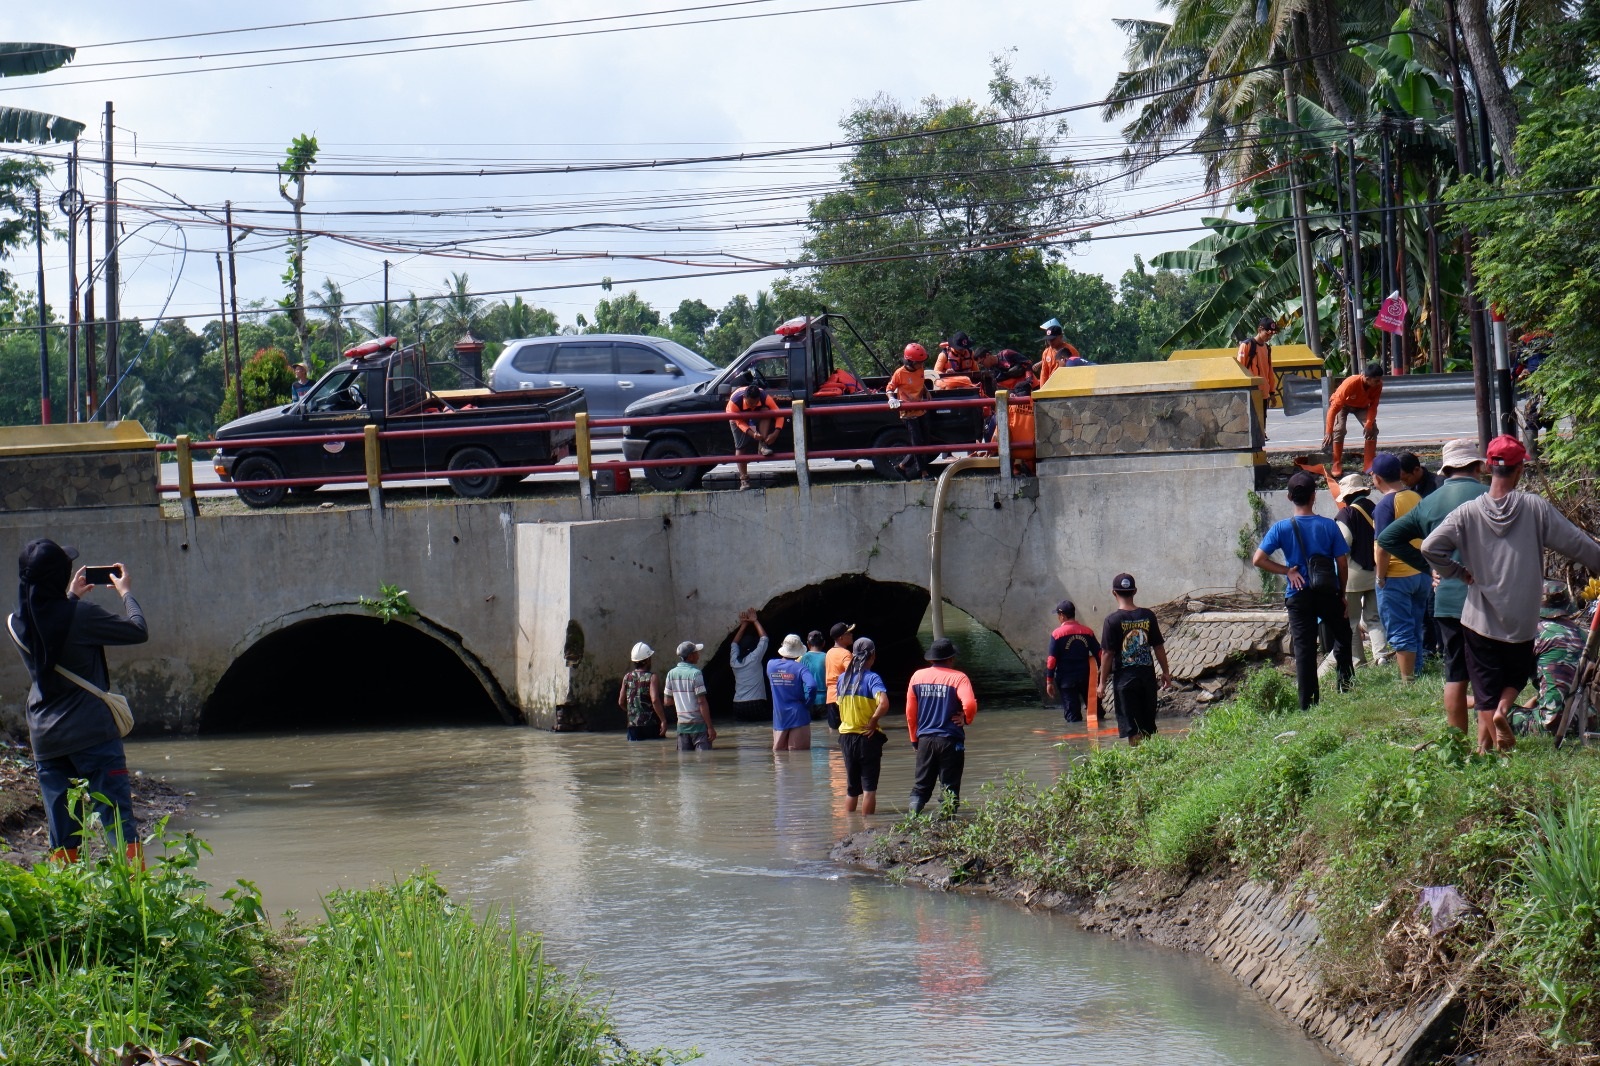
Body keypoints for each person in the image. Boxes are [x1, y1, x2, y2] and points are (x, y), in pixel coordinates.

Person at [1422, 435, 1600, 753]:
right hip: (1521, 620)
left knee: (1485, 688)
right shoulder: (1534, 508)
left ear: (1489, 468)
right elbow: (1578, 544)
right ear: (1519, 470)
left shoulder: (1468, 513)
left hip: (1478, 618)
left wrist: (1456, 572)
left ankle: (1484, 752)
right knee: (1514, 680)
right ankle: (1503, 716)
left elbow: (1430, 547)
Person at [7, 540, 147, 863]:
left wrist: (69, 596)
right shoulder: (81, 617)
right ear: (59, 578)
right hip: (93, 735)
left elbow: (49, 636)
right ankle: (132, 900)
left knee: (63, 836)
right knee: (117, 825)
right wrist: (125, 592)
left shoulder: (16, 624)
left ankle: (66, 899)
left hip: (46, 740)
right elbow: (138, 630)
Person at [1377, 439, 1489, 731]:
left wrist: (1430, 567)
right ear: (1478, 466)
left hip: (1448, 600)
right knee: (1487, 672)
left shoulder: (1430, 502)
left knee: (1455, 673)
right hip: (1488, 599)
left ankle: (1456, 740)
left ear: (1446, 469)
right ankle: (1488, 745)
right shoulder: (1492, 497)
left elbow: (1388, 539)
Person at [1251, 472, 1354, 709]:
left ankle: (1308, 703)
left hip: (1298, 594)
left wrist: (1288, 571)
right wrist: (1342, 593)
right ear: (1313, 497)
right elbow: (1342, 563)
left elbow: (1258, 559)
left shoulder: (1281, 528)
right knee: (1343, 636)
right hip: (1328, 591)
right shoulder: (1329, 525)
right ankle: (1345, 686)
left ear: (1289, 497)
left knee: (1304, 648)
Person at [1370, 452, 1428, 683]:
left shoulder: (1385, 505)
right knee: (1416, 625)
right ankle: (1418, 670)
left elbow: (1382, 547)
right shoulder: (1415, 497)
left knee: (1400, 628)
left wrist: (1380, 577)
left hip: (1395, 575)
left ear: (1378, 478)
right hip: (1420, 573)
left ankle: (1407, 679)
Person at [906, 636, 978, 814]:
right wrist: (966, 719)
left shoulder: (917, 677)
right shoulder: (959, 678)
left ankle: (911, 821)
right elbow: (969, 704)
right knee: (949, 787)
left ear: (931, 659)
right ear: (951, 658)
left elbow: (910, 713)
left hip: (925, 739)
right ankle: (947, 827)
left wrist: (915, 739)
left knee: (921, 786)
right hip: (950, 740)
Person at [1098, 573, 1173, 744]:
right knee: (1147, 725)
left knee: (1132, 728)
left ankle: (1138, 760)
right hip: (1147, 679)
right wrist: (1166, 673)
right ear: (1135, 591)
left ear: (1113, 593)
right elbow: (1158, 647)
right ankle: (1148, 759)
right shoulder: (1148, 615)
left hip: (1125, 682)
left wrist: (1102, 683)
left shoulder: (1111, 620)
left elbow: (1107, 654)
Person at [1513, 581, 1588, 736]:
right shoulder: (1582, 634)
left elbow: (1512, 675)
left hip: (1551, 724)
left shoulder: (1535, 634)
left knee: (1486, 708)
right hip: (1585, 719)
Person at [1331, 474, 1388, 667]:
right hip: (1376, 571)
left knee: (1352, 622)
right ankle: (1381, 655)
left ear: (1347, 496)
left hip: (1353, 576)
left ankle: (1358, 662)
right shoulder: (1377, 508)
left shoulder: (1346, 515)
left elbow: (1343, 543)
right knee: (1374, 617)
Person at [835, 636, 890, 814]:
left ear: (853, 655)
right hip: (867, 737)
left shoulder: (842, 679)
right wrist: (873, 721)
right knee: (869, 789)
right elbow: (884, 703)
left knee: (852, 789)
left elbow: (838, 704)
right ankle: (868, 828)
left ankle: (850, 828)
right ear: (872, 655)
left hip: (846, 738)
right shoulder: (872, 678)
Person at [1322, 363, 1385, 477]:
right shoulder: (1351, 383)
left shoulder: (1378, 385)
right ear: (1367, 378)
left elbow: (1373, 406)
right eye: (1376, 380)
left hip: (1361, 406)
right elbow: (1333, 409)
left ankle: (1368, 465)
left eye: (1380, 380)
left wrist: (1369, 423)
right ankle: (1336, 464)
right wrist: (1328, 431)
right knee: (1339, 430)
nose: (1379, 382)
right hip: (1343, 405)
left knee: (1372, 430)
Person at [1045, 599, 1100, 724]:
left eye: (1058, 616)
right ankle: (1099, 737)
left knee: (1073, 717)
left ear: (1062, 616)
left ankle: (1076, 740)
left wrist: (1049, 681)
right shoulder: (1087, 632)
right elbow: (1099, 654)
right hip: (1087, 679)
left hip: (1066, 681)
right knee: (1096, 712)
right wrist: (1102, 675)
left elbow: (1052, 660)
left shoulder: (1057, 634)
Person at [726, 383, 784, 491]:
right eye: (751, 403)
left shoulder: (765, 397)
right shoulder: (734, 402)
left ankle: (762, 444)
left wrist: (776, 432)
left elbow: (779, 414)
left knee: (766, 411)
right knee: (740, 447)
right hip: (737, 417)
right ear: (744, 397)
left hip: (757, 413)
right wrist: (752, 434)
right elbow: (739, 422)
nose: (753, 405)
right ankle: (744, 480)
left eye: (756, 402)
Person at [888, 343, 933, 480]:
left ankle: (901, 466)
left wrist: (926, 391)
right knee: (918, 443)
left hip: (921, 410)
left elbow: (920, 380)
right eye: (918, 363)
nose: (921, 365)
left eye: (922, 362)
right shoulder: (899, 373)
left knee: (925, 442)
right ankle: (924, 473)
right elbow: (890, 388)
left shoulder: (920, 369)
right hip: (908, 414)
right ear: (910, 361)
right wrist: (891, 399)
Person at [767, 634, 816, 751]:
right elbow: (812, 686)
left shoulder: (770, 665)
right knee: (799, 757)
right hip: (799, 714)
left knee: (780, 759)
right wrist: (807, 704)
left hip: (780, 717)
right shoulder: (800, 668)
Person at [664, 640, 716, 750]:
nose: (698, 655)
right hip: (699, 727)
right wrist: (710, 727)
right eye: (696, 652)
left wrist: (681, 699)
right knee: (703, 761)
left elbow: (667, 702)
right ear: (691, 656)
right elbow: (701, 702)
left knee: (684, 763)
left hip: (682, 727)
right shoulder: (696, 674)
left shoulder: (671, 674)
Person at [617, 641, 666, 740]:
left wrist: (633, 713)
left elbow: (621, 702)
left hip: (633, 726)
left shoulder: (627, 677)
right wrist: (663, 720)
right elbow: (655, 700)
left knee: (635, 752)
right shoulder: (652, 677)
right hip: (651, 725)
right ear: (647, 660)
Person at [728, 608, 770, 722]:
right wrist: (755, 621)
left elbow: (734, 643)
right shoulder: (754, 658)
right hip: (756, 703)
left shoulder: (734, 661)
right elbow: (764, 638)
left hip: (738, 705)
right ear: (753, 647)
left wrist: (744, 625)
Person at [1236, 317, 1279, 410]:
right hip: (1250, 393)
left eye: (1271, 335)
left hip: (1263, 394)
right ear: (1259, 330)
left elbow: (1269, 372)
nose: (1269, 337)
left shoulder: (1267, 348)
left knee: (1262, 423)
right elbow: (1239, 370)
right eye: (1267, 334)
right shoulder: (1246, 346)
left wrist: (1272, 393)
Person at [823, 621, 854, 731]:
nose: (851, 635)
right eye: (848, 633)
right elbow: (851, 674)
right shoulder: (846, 654)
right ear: (841, 638)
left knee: (833, 729)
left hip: (831, 696)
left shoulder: (829, 652)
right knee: (847, 729)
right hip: (843, 696)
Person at [1035, 320, 1084, 386]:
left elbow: (1078, 371)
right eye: (1048, 340)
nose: (1050, 342)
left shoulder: (1071, 350)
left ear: (1060, 337)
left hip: (1067, 385)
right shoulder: (1046, 353)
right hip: (1051, 386)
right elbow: (1044, 373)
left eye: (1053, 339)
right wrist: (1042, 390)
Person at [801, 630, 828, 721]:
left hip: (807, 699)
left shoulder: (803, 658)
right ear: (824, 643)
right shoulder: (828, 657)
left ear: (808, 644)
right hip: (824, 700)